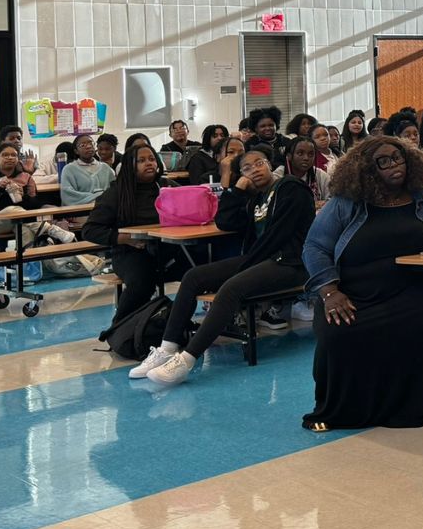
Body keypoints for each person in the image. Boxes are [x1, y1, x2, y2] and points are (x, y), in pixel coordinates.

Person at [302, 136, 423, 431]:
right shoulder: (346, 203)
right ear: (366, 169)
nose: (394, 166)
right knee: (338, 332)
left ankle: (411, 407)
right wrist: (329, 291)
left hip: (412, 290)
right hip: (351, 292)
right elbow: (314, 247)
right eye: (383, 162)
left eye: (398, 158)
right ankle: (338, 410)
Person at [131, 148, 315, 385]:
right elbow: (225, 220)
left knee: (231, 288)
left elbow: (278, 236)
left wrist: (246, 267)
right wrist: (237, 190)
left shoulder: (291, 188)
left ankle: (186, 359)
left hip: (292, 262)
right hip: (263, 259)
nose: (255, 170)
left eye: (259, 163)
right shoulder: (256, 199)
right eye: (247, 168)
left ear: (269, 164)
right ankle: (167, 347)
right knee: (194, 276)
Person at [83, 145, 188, 321]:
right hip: (130, 252)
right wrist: (123, 238)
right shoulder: (117, 192)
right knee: (142, 283)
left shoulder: (167, 186)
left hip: (169, 250)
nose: (149, 163)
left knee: (200, 272)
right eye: (141, 160)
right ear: (130, 165)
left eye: (152, 159)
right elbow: (90, 230)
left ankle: (179, 324)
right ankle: (120, 327)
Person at [60, 134, 114, 206]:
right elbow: (68, 196)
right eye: (83, 145)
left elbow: (114, 191)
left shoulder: (105, 168)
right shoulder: (69, 169)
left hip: (105, 210)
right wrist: (99, 196)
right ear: (76, 151)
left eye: (91, 143)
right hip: (80, 212)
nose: (88, 147)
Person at [275, 136, 331, 204]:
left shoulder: (320, 175)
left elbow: (332, 200)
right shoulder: (279, 175)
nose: (306, 158)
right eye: (300, 153)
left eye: (311, 154)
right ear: (289, 156)